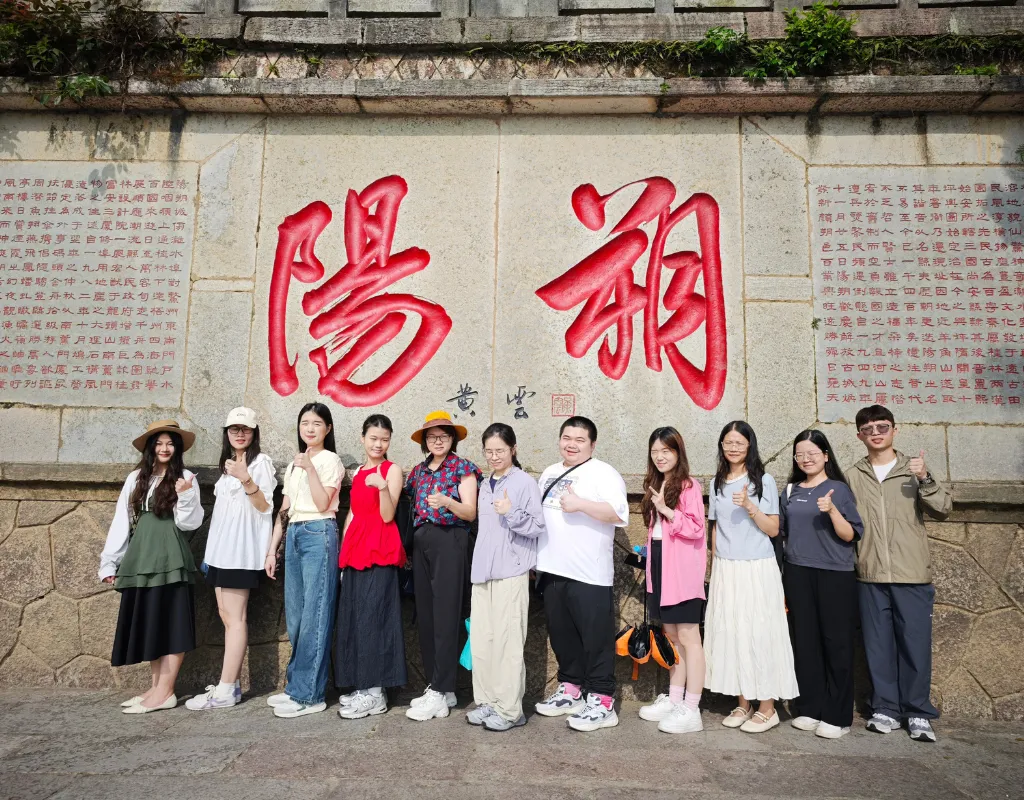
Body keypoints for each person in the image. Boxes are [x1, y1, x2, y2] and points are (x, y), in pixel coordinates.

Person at [848, 405, 951, 743]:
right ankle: (886, 709)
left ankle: (918, 712)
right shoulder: (854, 475)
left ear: (894, 430)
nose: (876, 432)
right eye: (868, 428)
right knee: (877, 646)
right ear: (860, 434)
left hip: (911, 573)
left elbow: (943, 509)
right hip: (870, 573)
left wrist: (925, 479)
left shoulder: (913, 469)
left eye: (882, 426)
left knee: (915, 645)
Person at [98, 420, 204, 714]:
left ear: (178, 448)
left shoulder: (184, 476)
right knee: (153, 621)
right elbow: (123, 519)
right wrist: (111, 560)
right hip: (142, 554)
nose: (165, 448)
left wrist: (185, 494)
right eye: (159, 443)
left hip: (170, 554)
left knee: (171, 623)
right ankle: (157, 688)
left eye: (170, 443)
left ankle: (165, 691)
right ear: (150, 447)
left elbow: (189, 523)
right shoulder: (136, 478)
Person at [534, 416, 629, 732]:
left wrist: (580, 504)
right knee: (562, 636)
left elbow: (618, 514)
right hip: (551, 568)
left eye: (579, 440)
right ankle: (571, 690)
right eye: (566, 437)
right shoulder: (549, 472)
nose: (571, 444)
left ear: (592, 444)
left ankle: (602, 701)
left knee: (595, 639)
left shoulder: (604, 473)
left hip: (589, 573)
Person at [703, 421, 798, 733]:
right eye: (727, 442)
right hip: (726, 568)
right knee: (732, 632)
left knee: (761, 633)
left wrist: (749, 505)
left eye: (739, 443)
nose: (733, 448)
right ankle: (744, 703)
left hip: (757, 567)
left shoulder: (763, 480)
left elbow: (773, 529)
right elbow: (715, 528)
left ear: (749, 446)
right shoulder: (717, 481)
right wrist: (714, 566)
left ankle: (767, 707)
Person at [187, 408, 276, 711]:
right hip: (221, 552)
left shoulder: (260, 463)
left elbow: (265, 506)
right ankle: (231, 684)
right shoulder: (226, 467)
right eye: (234, 429)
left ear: (254, 432)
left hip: (241, 553)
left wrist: (246, 478)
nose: (240, 434)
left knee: (235, 619)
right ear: (226, 432)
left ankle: (225, 690)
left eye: (246, 429)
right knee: (226, 616)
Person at [781, 429, 864, 740]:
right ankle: (811, 707)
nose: (806, 458)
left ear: (826, 455)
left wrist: (831, 512)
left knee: (837, 643)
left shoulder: (838, 490)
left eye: (812, 453)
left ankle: (837, 714)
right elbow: (784, 532)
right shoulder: (790, 491)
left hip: (834, 574)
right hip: (798, 572)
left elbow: (852, 534)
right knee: (806, 642)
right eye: (800, 454)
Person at [265, 402, 344, 719]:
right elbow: (284, 509)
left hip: (319, 531)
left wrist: (310, 468)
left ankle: (310, 695)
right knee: (297, 616)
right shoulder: (294, 463)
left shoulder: (329, 461)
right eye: (304, 423)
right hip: (295, 533)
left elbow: (324, 501)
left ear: (328, 429)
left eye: (316, 423)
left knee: (316, 614)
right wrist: (273, 550)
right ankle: (296, 687)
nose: (309, 428)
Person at [404, 410, 482, 722]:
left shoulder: (463, 468)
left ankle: (442, 686)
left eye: (444, 436)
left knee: (447, 613)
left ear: (453, 440)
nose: (438, 441)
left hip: (451, 541)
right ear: (425, 441)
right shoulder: (417, 472)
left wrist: (447, 502)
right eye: (433, 436)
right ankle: (439, 687)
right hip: (422, 542)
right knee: (426, 614)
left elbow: (470, 512)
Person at [466, 423, 544, 732]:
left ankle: (511, 711)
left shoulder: (524, 482)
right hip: (483, 572)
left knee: (509, 642)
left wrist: (511, 512)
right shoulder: (485, 483)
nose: (494, 456)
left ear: (513, 449)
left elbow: (537, 527)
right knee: (483, 641)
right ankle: (487, 701)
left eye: (500, 450)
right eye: (489, 451)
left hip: (511, 571)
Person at [333, 414, 407, 720]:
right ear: (363, 438)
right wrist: (342, 554)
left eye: (385, 439)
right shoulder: (358, 472)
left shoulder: (392, 470)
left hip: (382, 548)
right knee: (354, 618)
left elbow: (388, 515)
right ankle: (362, 685)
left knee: (376, 617)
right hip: (356, 550)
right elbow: (352, 513)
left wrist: (381, 487)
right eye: (374, 438)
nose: (379, 444)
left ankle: (376, 693)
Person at [636, 427, 707, 735]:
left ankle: (692, 708)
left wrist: (667, 511)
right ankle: (675, 699)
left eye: (666, 450)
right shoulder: (655, 483)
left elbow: (696, 529)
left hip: (682, 572)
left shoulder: (690, 486)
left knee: (691, 640)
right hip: (660, 566)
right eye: (655, 451)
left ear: (678, 452)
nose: (660, 456)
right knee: (673, 639)